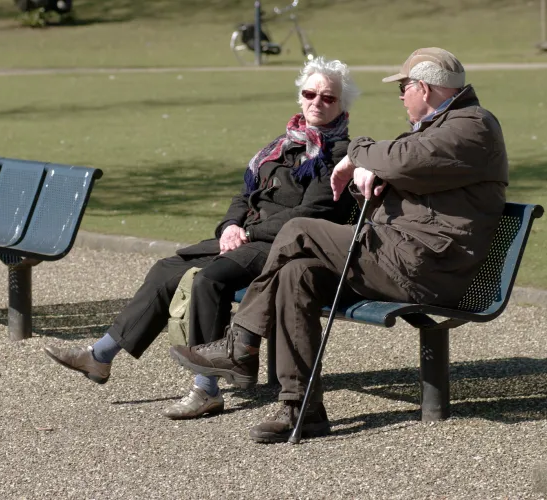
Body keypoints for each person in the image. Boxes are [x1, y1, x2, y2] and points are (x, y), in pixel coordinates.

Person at [170, 47, 509, 443]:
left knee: (300, 229)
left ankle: (241, 343)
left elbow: (400, 159)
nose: (400, 96)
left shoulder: (473, 125)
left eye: (403, 87)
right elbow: (413, 170)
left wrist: (355, 154)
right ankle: (302, 408)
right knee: (297, 274)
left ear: (424, 88)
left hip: (425, 266)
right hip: (400, 255)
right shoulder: (441, 127)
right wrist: (378, 177)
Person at [44, 57, 360, 420]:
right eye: (310, 93)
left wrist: (248, 232)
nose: (317, 102)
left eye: (328, 98)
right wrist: (229, 226)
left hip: (282, 246)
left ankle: (205, 389)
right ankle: (100, 356)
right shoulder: (282, 144)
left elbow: (312, 214)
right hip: (245, 238)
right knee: (167, 268)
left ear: (341, 105)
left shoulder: (338, 154)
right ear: (300, 97)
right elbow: (244, 196)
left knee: (209, 280)